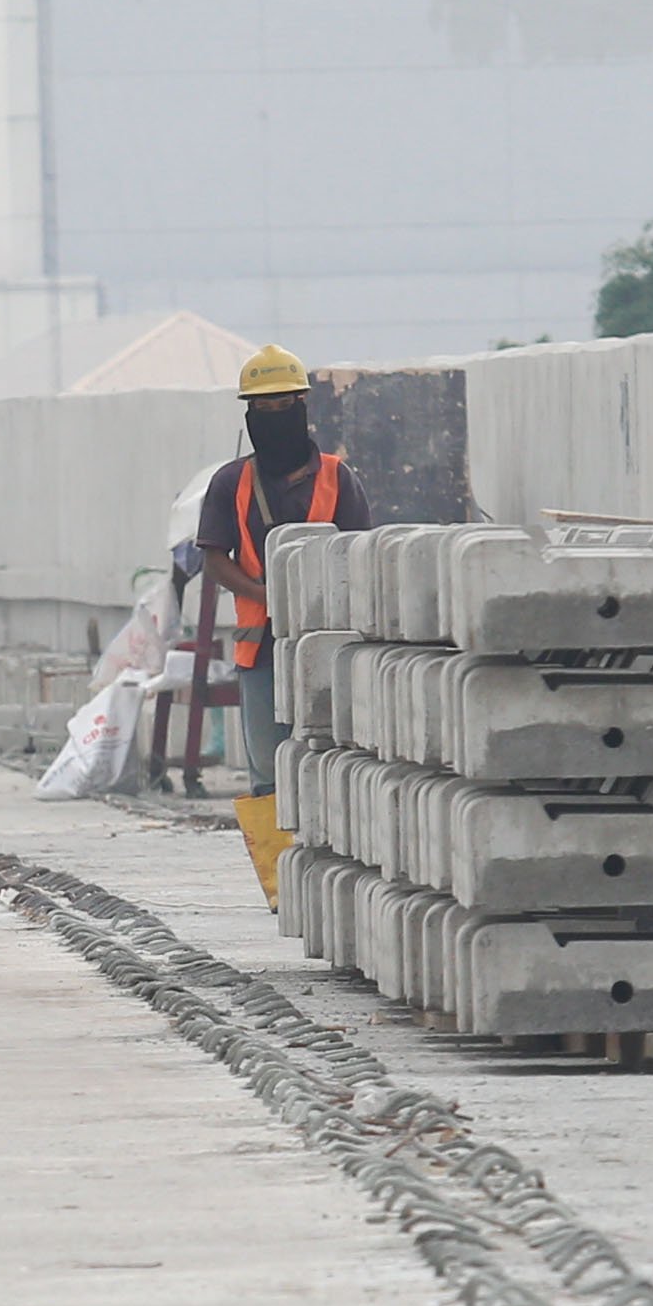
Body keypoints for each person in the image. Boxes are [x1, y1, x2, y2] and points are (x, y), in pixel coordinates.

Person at [190, 344, 366, 894]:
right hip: (260, 649)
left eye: (284, 403)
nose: (274, 415)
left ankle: (336, 879)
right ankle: (283, 890)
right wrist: (265, 595)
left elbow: (361, 555)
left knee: (330, 761)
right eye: (262, 407)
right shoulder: (230, 483)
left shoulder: (339, 479)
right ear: (248, 414)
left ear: (302, 405)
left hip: (329, 646)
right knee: (268, 772)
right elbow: (214, 558)